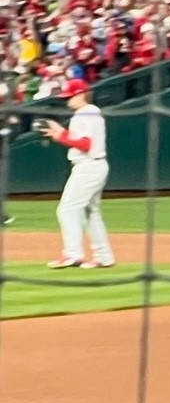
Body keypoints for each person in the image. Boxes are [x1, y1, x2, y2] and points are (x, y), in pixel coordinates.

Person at [40, 78, 112, 269]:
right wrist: (60, 132)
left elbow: (85, 145)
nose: (67, 100)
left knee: (67, 209)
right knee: (91, 213)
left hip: (88, 166)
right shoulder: (90, 113)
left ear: (81, 94)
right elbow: (81, 139)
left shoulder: (86, 113)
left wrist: (60, 136)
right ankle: (103, 256)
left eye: (70, 96)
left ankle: (73, 254)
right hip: (95, 166)